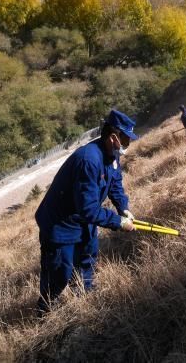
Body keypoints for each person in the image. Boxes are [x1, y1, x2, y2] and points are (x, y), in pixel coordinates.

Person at [34, 109, 137, 313]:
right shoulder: (88, 160)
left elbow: (115, 184)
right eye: (126, 139)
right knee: (59, 273)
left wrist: (123, 208)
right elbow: (88, 209)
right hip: (60, 224)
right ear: (113, 136)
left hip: (83, 219)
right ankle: (44, 311)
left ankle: (85, 298)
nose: (128, 144)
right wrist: (117, 222)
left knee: (86, 259)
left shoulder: (112, 155)